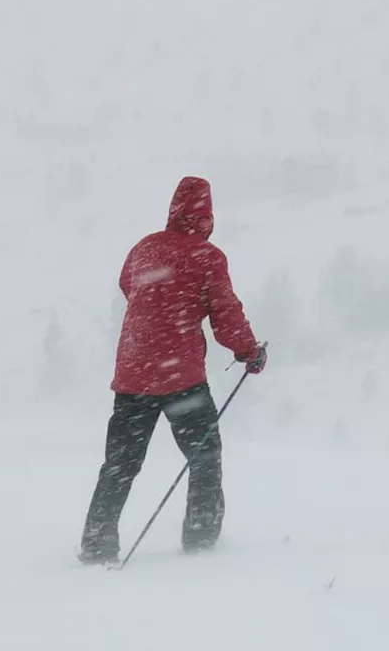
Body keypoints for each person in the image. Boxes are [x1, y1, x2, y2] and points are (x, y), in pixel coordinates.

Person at [79, 176, 267, 564]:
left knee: (119, 464)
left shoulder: (144, 248)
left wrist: (157, 310)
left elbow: (127, 286)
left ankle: (97, 543)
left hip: (133, 376)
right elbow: (226, 316)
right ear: (207, 214)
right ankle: (200, 543)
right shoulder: (207, 256)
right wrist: (249, 352)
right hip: (181, 380)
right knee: (204, 456)